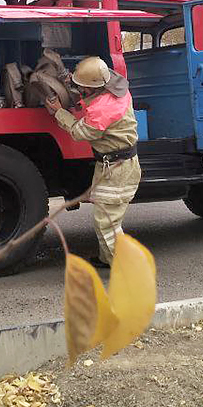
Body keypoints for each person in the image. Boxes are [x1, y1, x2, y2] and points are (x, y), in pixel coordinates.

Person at [43, 56, 141, 269]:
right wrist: (72, 82)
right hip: (115, 166)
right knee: (107, 220)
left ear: (92, 87)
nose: (81, 90)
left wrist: (58, 112)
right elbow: (91, 93)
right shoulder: (114, 86)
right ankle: (108, 259)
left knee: (107, 222)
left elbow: (79, 132)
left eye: (82, 87)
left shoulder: (103, 111)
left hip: (117, 170)